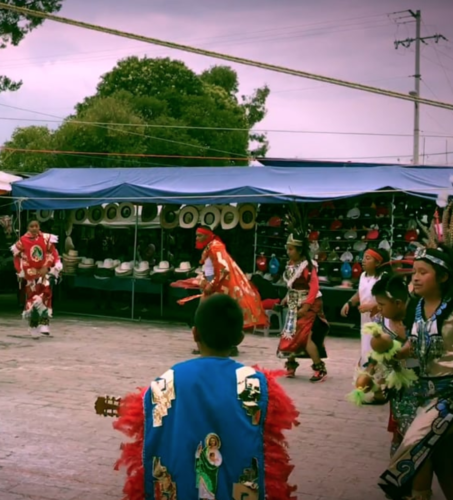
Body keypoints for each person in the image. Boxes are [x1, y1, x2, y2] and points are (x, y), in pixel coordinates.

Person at [110, 294, 299, 499]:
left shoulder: (169, 381)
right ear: (239, 339)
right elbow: (268, 451)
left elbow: (146, 432)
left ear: (195, 333)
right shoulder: (255, 385)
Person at [379, 173, 453, 500]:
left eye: (422, 273)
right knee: (420, 467)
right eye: (413, 273)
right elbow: (414, 348)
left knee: (444, 466)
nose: (415, 278)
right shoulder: (416, 309)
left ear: (442, 276)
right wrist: (391, 350)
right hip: (429, 395)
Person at [192, 226, 268, 355]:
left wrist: (212, 284)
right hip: (212, 286)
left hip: (216, 288)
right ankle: (206, 344)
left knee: (210, 316)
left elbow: (224, 268)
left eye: (199, 235)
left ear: (207, 235)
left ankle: (221, 345)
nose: (197, 238)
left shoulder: (216, 247)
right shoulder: (211, 246)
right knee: (208, 316)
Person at [277, 207, 329, 382]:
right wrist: (285, 300)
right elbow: (291, 287)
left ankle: (319, 367)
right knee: (290, 333)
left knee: (304, 335)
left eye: (291, 249)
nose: (288, 252)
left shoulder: (308, 265)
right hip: (294, 301)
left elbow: (314, 287)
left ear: (299, 250)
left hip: (309, 302)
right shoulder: (291, 265)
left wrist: (306, 306)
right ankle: (290, 365)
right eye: (288, 248)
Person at [370, 274, 418, 456]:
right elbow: (378, 350)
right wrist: (369, 370)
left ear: (398, 303)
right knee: (397, 428)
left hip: (417, 380)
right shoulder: (383, 320)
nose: (379, 309)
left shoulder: (417, 316)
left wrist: (403, 338)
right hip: (397, 383)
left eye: (382, 305)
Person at [341, 248, 390, 398]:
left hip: (381, 318)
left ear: (378, 262)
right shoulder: (363, 275)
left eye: (368, 258)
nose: (363, 260)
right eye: (364, 257)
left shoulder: (384, 277)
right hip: (366, 319)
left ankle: (380, 390)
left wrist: (373, 306)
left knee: (378, 352)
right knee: (366, 350)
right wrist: (349, 302)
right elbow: (359, 293)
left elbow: (389, 299)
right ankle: (374, 388)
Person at [12, 220, 62, 338]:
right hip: (31, 274)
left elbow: (53, 252)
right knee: (33, 300)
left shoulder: (46, 238)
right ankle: (34, 326)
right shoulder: (22, 241)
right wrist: (20, 271)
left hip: (44, 272)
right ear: (28, 227)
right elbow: (16, 256)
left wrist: (55, 264)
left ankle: (44, 324)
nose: (34, 228)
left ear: (39, 227)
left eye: (36, 226)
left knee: (46, 295)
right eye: (31, 226)